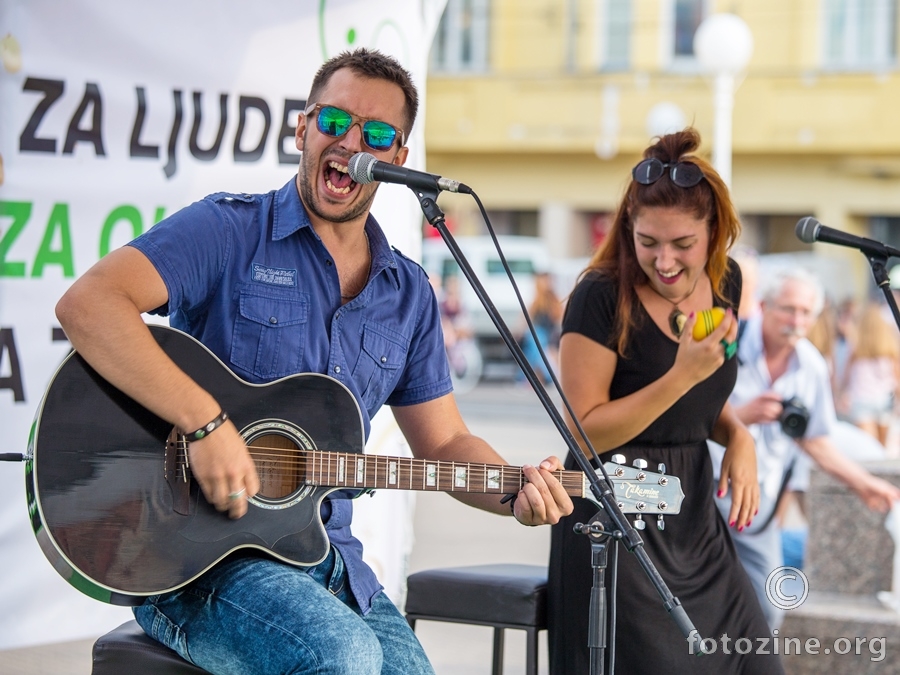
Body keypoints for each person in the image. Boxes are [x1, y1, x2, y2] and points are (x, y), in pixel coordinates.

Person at [55, 48, 573, 675]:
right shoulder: (227, 231)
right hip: (192, 561)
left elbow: (445, 443)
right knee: (342, 656)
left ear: (397, 160)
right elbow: (89, 304)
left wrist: (514, 490)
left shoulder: (407, 293)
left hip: (329, 559)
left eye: (377, 135)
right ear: (302, 128)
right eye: (335, 121)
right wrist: (205, 422)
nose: (351, 142)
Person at [548, 128, 780, 674]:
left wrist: (739, 435)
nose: (665, 261)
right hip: (614, 507)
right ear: (628, 228)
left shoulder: (729, 282)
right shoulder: (600, 297)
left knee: (755, 661)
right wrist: (681, 375)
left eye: (683, 244)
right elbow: (582, 435)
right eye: (647, 242)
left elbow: (698, 401)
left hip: (693, 511)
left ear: (715, 233)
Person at [710, 268, 900, 630]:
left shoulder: (811, 365)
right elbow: (685, 413)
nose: (796, 321)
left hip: (755, 506)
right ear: (764, 306)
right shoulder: (729, 343)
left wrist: (864, 484)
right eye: (788, 309)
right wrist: (741, 417)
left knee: (768, 609)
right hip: (705, 489)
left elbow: (816, 440)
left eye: (806, 313)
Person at [839, 302, 900, 446]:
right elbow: (897, 378)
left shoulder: (855, 348)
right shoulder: (890, 350)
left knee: (870, 448)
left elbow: (846, 376)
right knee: (881, 447)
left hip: (862, 400)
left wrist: (841, 393)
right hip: (885, 400)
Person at [519, 271, 563, 385]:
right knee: (536, 347)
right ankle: (537, 377)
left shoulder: (554, 299)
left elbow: (559, 316)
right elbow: (527, 316)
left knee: (542, 350)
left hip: (549, 333)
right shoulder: (537, 300)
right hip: (539, 333)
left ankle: (538, 377)